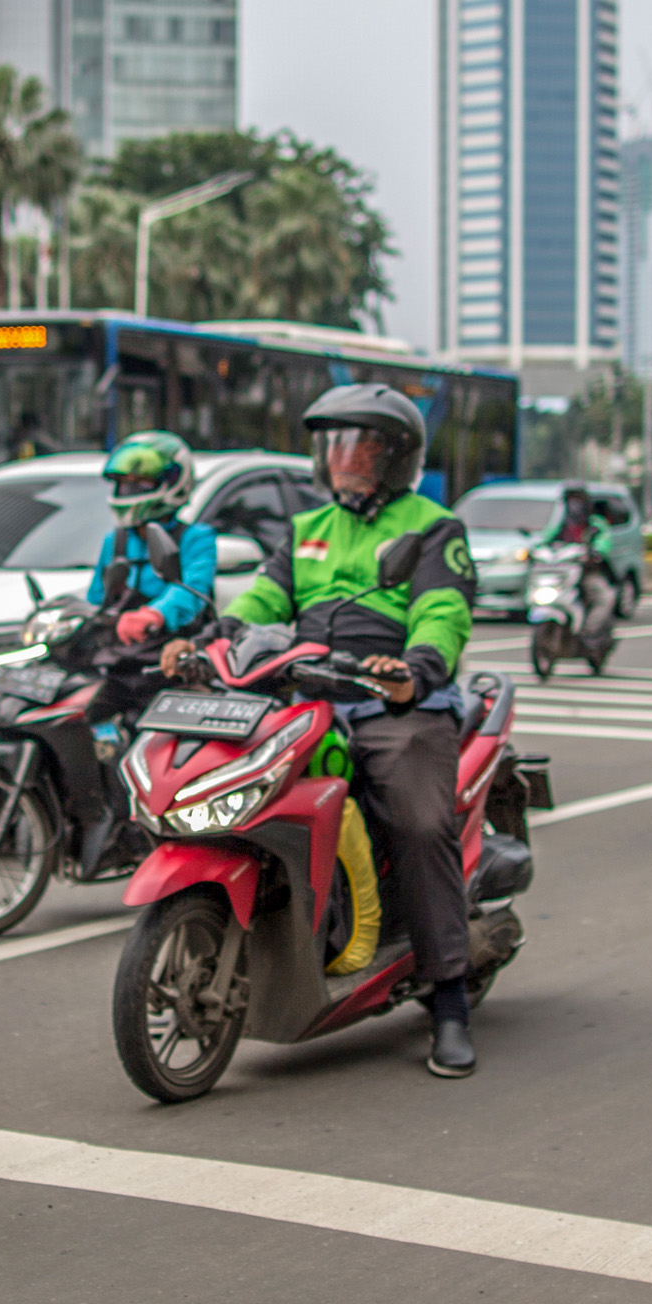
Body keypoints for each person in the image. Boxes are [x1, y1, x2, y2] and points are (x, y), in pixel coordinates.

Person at [165, 382, 483, 1075]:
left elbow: (443, 611)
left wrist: (415, 666)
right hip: (303, 689)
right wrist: (211, 636)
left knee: (419, 818)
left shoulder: (433, 526)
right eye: (332, 440)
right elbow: (261, 599)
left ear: (395, 455)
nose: (341, 454)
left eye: (358, 440)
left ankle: (450, 994)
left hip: (390, 699)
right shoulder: (309, 528)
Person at [87, 430, 217, 650]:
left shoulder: (196, 538)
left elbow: (192, 590)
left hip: (171, 649)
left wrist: (155, 614)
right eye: (125, 482)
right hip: (121, 651)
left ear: (173, 479)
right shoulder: (116, 540)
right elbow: (96, 598)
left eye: (141, 482)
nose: (130, 489)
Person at [549, 484, 620, 666]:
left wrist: (596, 552)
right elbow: (545, 538)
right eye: (571, 501)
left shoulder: (595, 524)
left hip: (587, 573)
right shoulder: (561, 523)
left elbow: (604, 543)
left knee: (605, 597)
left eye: (578, 501)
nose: (575, 505)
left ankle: (590, 632)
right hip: (564, 574)